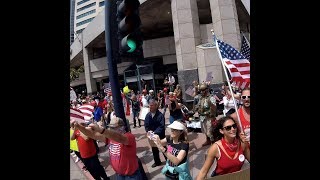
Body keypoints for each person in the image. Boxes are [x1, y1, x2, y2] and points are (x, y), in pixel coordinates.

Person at [70, 116, 142, 179]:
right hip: (119, 175)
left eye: (114, 127)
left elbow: (120, 138)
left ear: (122, 127)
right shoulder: (110, 138)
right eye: (111, 127)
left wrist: (101, 130)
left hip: (131, 176)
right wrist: (78, 127)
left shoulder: (129, 136)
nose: (111, 129)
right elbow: (93, 134)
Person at [144, 99, 167, 168]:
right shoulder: (148, 115)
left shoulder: (160, 115)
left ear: (156, 106)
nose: (150, 107)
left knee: (164, 148)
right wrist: (148, 131)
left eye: (152, 105)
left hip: (160, 135)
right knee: (154, 149)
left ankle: (169, 160)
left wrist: (155, 133)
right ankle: (157, 162)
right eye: (149, 105)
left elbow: (161, 126)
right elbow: (146, 124)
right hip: (152, 136)